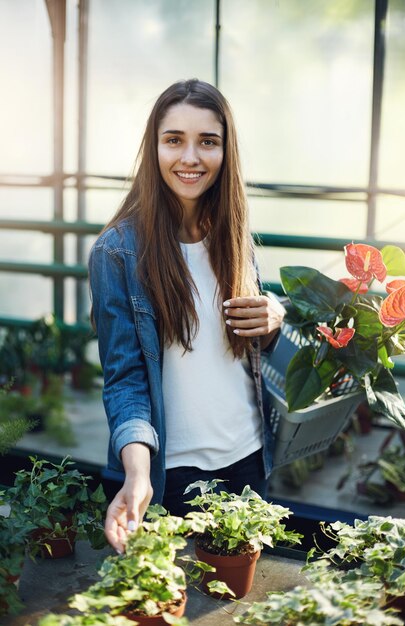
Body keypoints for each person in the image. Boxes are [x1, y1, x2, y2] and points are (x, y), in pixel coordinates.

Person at [89, 78, 285, 553]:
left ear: (226, 151)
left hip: (250, 460)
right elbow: (124, 380)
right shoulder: (116, 253)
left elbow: (243, 348)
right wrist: (137, 475)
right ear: (153, 147)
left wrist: (275, 322)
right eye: (174, 139)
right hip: (170, 475)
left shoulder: (234, 234)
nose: (190, 158)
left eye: (208, 142)